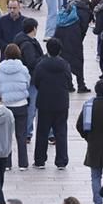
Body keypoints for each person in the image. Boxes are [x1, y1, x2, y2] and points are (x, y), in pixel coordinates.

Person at [32, 37, 73, 170]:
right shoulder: (65, 65)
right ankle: (61, 161)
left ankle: (40, 160)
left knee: (42, 131)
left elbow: (36, 81)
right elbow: (69, 82)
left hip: (44, 101)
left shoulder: (41, 64)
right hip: (61, 102)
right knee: (61, 131)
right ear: (60, 50)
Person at [0, 43, 31, 170]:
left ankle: (7, 164)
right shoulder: (23, 69)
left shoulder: (0, 68)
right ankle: (23, 163)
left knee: (6, 135)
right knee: (21, 135)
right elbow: (27, 83)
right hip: (21, 104)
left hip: (5, 105)